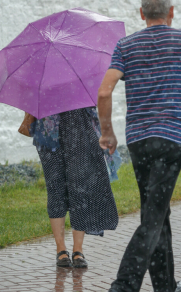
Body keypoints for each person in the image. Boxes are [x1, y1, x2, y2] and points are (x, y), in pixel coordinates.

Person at [98, 0, 181, 292]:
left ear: (141, 14)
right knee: (153, 216)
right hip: (171, 141)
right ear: (172, 12)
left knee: (156, 210)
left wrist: (107, 132)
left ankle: (165, 285)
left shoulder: (125, 46)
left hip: (139, 141)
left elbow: (103, 91)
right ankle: (124, 285)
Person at [31, 107, 121, 268]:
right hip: (49, 131)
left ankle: (78, 251)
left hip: (80, 127)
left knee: (80, 189)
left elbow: (96, 95)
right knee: (55, 189)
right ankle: (61, 250)